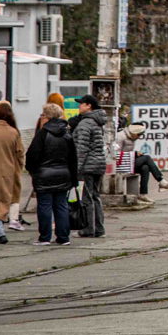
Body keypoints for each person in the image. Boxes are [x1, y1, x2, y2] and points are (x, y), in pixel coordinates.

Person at [24, 102, 75, 245]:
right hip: (63, 174)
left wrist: (32, 171)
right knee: (61, 205)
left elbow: (32, 155)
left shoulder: (42, 134)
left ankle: (45, 237)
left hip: (44, 174)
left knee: (45, 205)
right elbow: (73, 158)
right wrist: (73, 177)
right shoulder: (67, 134)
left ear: (47, 116)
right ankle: (63, 237)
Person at [71, 94, 108, 238]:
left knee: (87, 198)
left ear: (89, 106)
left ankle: (88, 229)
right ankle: (99, 228)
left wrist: (77, 168)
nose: (79, 106)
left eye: (81, 104)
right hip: (99, 164)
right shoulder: (98, 122)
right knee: (95, 196)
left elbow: (82, 148)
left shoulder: (85, 124)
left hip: (88, 165)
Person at [115, 121, 168, 204]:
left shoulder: (131, 138)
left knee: (145, 168)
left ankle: (142, 194)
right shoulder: (120, 136)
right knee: (147, 158)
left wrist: (135, 155)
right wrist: (134, 154)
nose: (139, 137)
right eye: (138, 135)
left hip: (128, 163)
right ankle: (161, 181)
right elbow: (116, 154)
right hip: (121, 165)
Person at [0, 101, 22, 243]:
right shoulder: (13, 132)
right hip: (6, 171)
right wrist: (18, 171)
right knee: (1, 201)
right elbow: (20, 154)